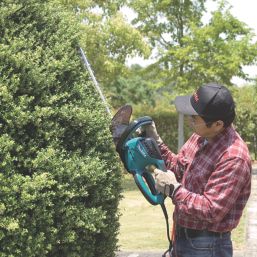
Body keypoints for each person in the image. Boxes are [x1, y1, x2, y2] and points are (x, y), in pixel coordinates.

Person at [144, 82, 252, 257]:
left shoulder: (233, 157)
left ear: (217, 124)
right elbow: (178, 168)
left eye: (195, 118)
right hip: (183, 237)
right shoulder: (200, 136)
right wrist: (155, 142)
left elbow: (212, 210)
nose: (190, 120)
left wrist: (174, 189)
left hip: (207, 246)